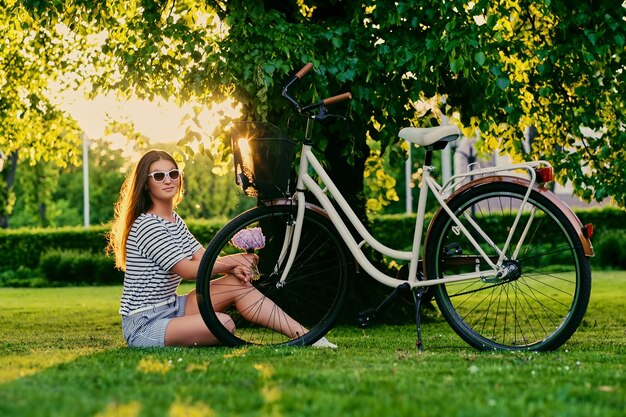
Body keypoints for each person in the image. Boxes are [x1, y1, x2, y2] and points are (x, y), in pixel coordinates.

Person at [107, 149, 336, 348]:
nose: (168, 180)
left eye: (173, 173)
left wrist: (232, 270)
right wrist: (234, 262)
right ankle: (181, 335)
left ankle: (306, 336)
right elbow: (187, 270)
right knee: (224, 323)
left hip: (173, 306)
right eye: (158, 176)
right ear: (146, 184)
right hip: (145, 324)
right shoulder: (147, 224)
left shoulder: (173, 220)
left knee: (238, 285)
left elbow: (203, 258)